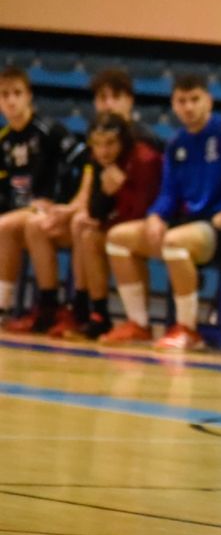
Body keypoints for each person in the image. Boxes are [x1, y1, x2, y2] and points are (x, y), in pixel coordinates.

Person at [100, 73, 221, 350]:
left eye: (195, 99)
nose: (189, 107)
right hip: (191, 224)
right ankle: (138, 324)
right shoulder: (177, 143)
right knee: (119, 236)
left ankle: (187, 329)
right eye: (182, 101)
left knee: (174, 241)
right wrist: (156, 215)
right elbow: (169, 194)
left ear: (209, 101)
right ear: (174, 104)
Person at [59, 112, 162, 340]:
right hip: (123, 224)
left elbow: (142, 210)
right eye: (97, 145)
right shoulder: (100, 161)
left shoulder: (144, 160)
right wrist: (106, 192)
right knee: (89, 236)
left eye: (110, 144)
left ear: (123, 141)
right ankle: (99, 315)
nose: (103, 151)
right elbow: (96, 212)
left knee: (118, 237)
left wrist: (122, 188)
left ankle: (139, 321)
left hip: (155, 226)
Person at [0, 65, 72, 332]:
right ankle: (3, 308)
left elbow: (82, 162)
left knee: (5, 226)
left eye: (17, 93)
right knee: (6, 227)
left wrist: (64, 202)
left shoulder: (48, 130)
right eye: (4, 94)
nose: (11, 100)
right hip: (16, 214)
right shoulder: (3, 140)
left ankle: (48, 305)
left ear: (29, 96)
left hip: (48, 212)